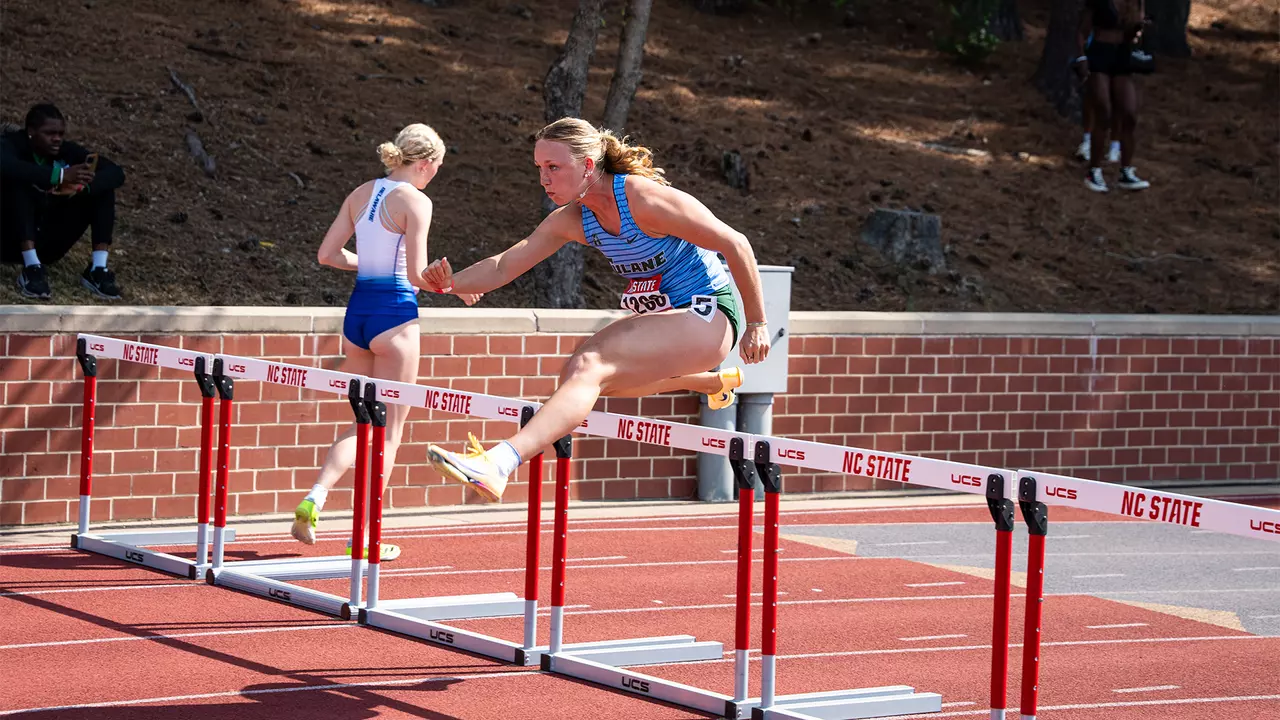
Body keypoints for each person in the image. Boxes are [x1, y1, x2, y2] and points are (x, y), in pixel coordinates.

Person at [418, 117, 769, 503]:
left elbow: (737, 244)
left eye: (554, 167)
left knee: (590, 364)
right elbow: (504, 266)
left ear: (587, 166)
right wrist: (447, 283)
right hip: (674, 326)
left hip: (711, 313)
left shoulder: (643, 199)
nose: (544, 179)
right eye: (539, 168)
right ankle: (704, 381)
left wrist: (757, 322)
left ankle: (498, 462)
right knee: (580, 376)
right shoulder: (572, 220)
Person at [291, 123, 481, 557]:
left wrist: (374, 262)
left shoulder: (361, 192)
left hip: (357, 317)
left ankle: (316, 496)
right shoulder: (416, 200)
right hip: (394, 318)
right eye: (438, 167)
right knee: (389, 433)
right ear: (428, 163)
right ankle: (365, 535)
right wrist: (457, 285)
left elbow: (327, 255)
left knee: (361, 424)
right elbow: (416, 276)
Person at [1, 104, 126, 299]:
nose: (57, 139)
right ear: (31, 131)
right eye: (50, 133)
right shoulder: (11, 144)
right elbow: (8, 166)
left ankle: (98, 268)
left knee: (102, 189)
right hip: (10, 240)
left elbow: (116, 172)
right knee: (19, 184)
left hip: (49, 242)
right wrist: (59, 176)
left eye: (60, 133)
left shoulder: (65, 151)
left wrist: (82, 186)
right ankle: (32, 268)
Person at [1072, 0, 1151, 192]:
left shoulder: (1135, 2)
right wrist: (1081, 57)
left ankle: (1126, 171)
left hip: (1121, 56)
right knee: (1103, 111)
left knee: (1129, 113)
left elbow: (1133, 36)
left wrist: (1138, 26)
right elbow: (1082, 31)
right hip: (1099, 53)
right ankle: (1094, 170)